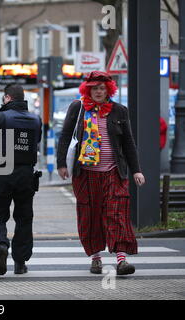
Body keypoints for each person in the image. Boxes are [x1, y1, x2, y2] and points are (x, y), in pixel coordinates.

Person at [56, 70, 146, 276]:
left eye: (102, 88)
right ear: (88, 90)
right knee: (90, 216)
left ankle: (121, 260)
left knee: (117, 214)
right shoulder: (77, 108)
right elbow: (65, 136)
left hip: (114, 172)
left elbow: (129, 144)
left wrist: (136, 171)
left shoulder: (119, 111)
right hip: (85, 174)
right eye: (94, 88)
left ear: (109, 90)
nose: (98, 92)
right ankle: (96, 258)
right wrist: (61, 164)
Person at [0, 83, 42, 276]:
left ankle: (0, 246)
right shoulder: (35, 120)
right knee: (24, 218)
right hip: (26, 175)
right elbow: (36, 141)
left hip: (1, 174)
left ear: (7, 98)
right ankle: (20, 262)